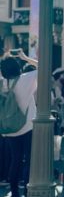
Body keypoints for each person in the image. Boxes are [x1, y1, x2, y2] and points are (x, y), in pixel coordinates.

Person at [0, 49, 37, 197]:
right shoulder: (25, 79)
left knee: (15, 159)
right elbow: (45, 68)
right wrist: (25, 57)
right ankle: (27, 190)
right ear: (17, 67)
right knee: (28, 159)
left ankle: (14, 191)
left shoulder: (2, 83)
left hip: (8, 128)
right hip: (27, 126)